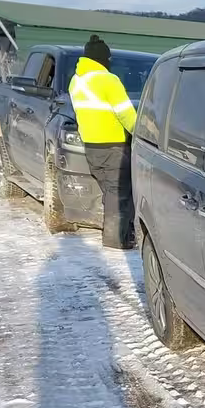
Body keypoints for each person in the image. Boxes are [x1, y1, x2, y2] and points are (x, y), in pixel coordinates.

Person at [69, 35, 137, 249]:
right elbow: (127, 115)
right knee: (119, 195)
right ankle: (116, 240)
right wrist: (141, 134)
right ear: (102, 58)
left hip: (91, 146)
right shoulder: (109, 80)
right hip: (114, 146)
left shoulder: (76, 81)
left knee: (110, 192)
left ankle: (121, 232)